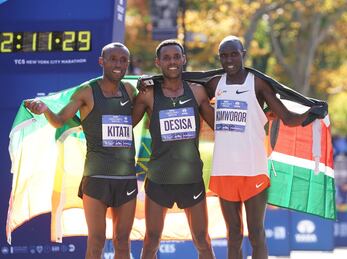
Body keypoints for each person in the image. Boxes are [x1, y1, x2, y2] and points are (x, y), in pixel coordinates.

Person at [204, 35, 324, 259]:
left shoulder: (256, 83)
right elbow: (187, 88)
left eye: (234, 54)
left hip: (254, 169)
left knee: (256, 234)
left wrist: (310, 113)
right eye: (224, 55)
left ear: (243, 54)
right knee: (234, 235)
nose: (229, 59)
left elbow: (287, 117)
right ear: (219, 58)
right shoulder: (214, 84)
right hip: (224, 169)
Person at [25, 43, 137, 259]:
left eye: (123, 60)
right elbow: (59, 121)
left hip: (126, 178)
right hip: (96, 178)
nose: (118, 64)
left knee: (123, 242)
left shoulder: (130, 91)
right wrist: (46, 109)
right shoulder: (87, 91)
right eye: (113, 59)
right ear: (101, 61)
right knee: (96, 241)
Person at [132, 39, 215, 259]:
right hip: (160, 179)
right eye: (166, 57)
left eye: (176, 57)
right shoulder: (148, 93)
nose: (172, 61)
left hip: (191, 178)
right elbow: (126, 122)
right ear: (157, 62)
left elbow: (218, 124)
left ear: (184, 59)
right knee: (151, 242)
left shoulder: (197, 92)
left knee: (202, 241)